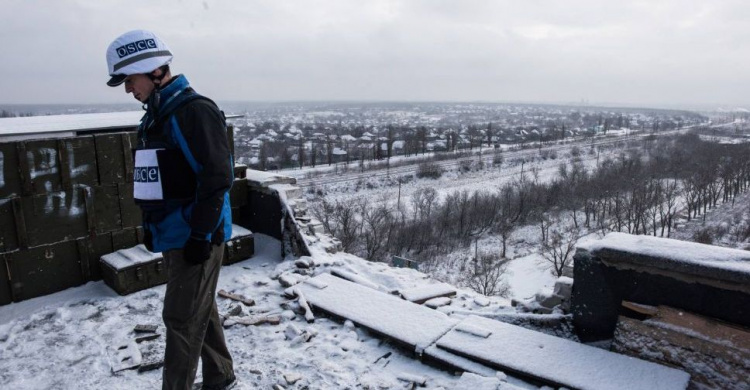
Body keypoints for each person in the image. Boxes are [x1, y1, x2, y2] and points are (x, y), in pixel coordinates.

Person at [105, 30, 236, 390]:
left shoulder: (193, 111)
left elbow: (217, 178)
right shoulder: (158, 115)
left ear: (154, 71)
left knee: (180, 319)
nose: (129, 89)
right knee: (199, 310)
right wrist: (154, 224)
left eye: (130, 80)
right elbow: (161, 177)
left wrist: (199, 235)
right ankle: (221, 375)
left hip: (195, 234)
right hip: (176, 231)